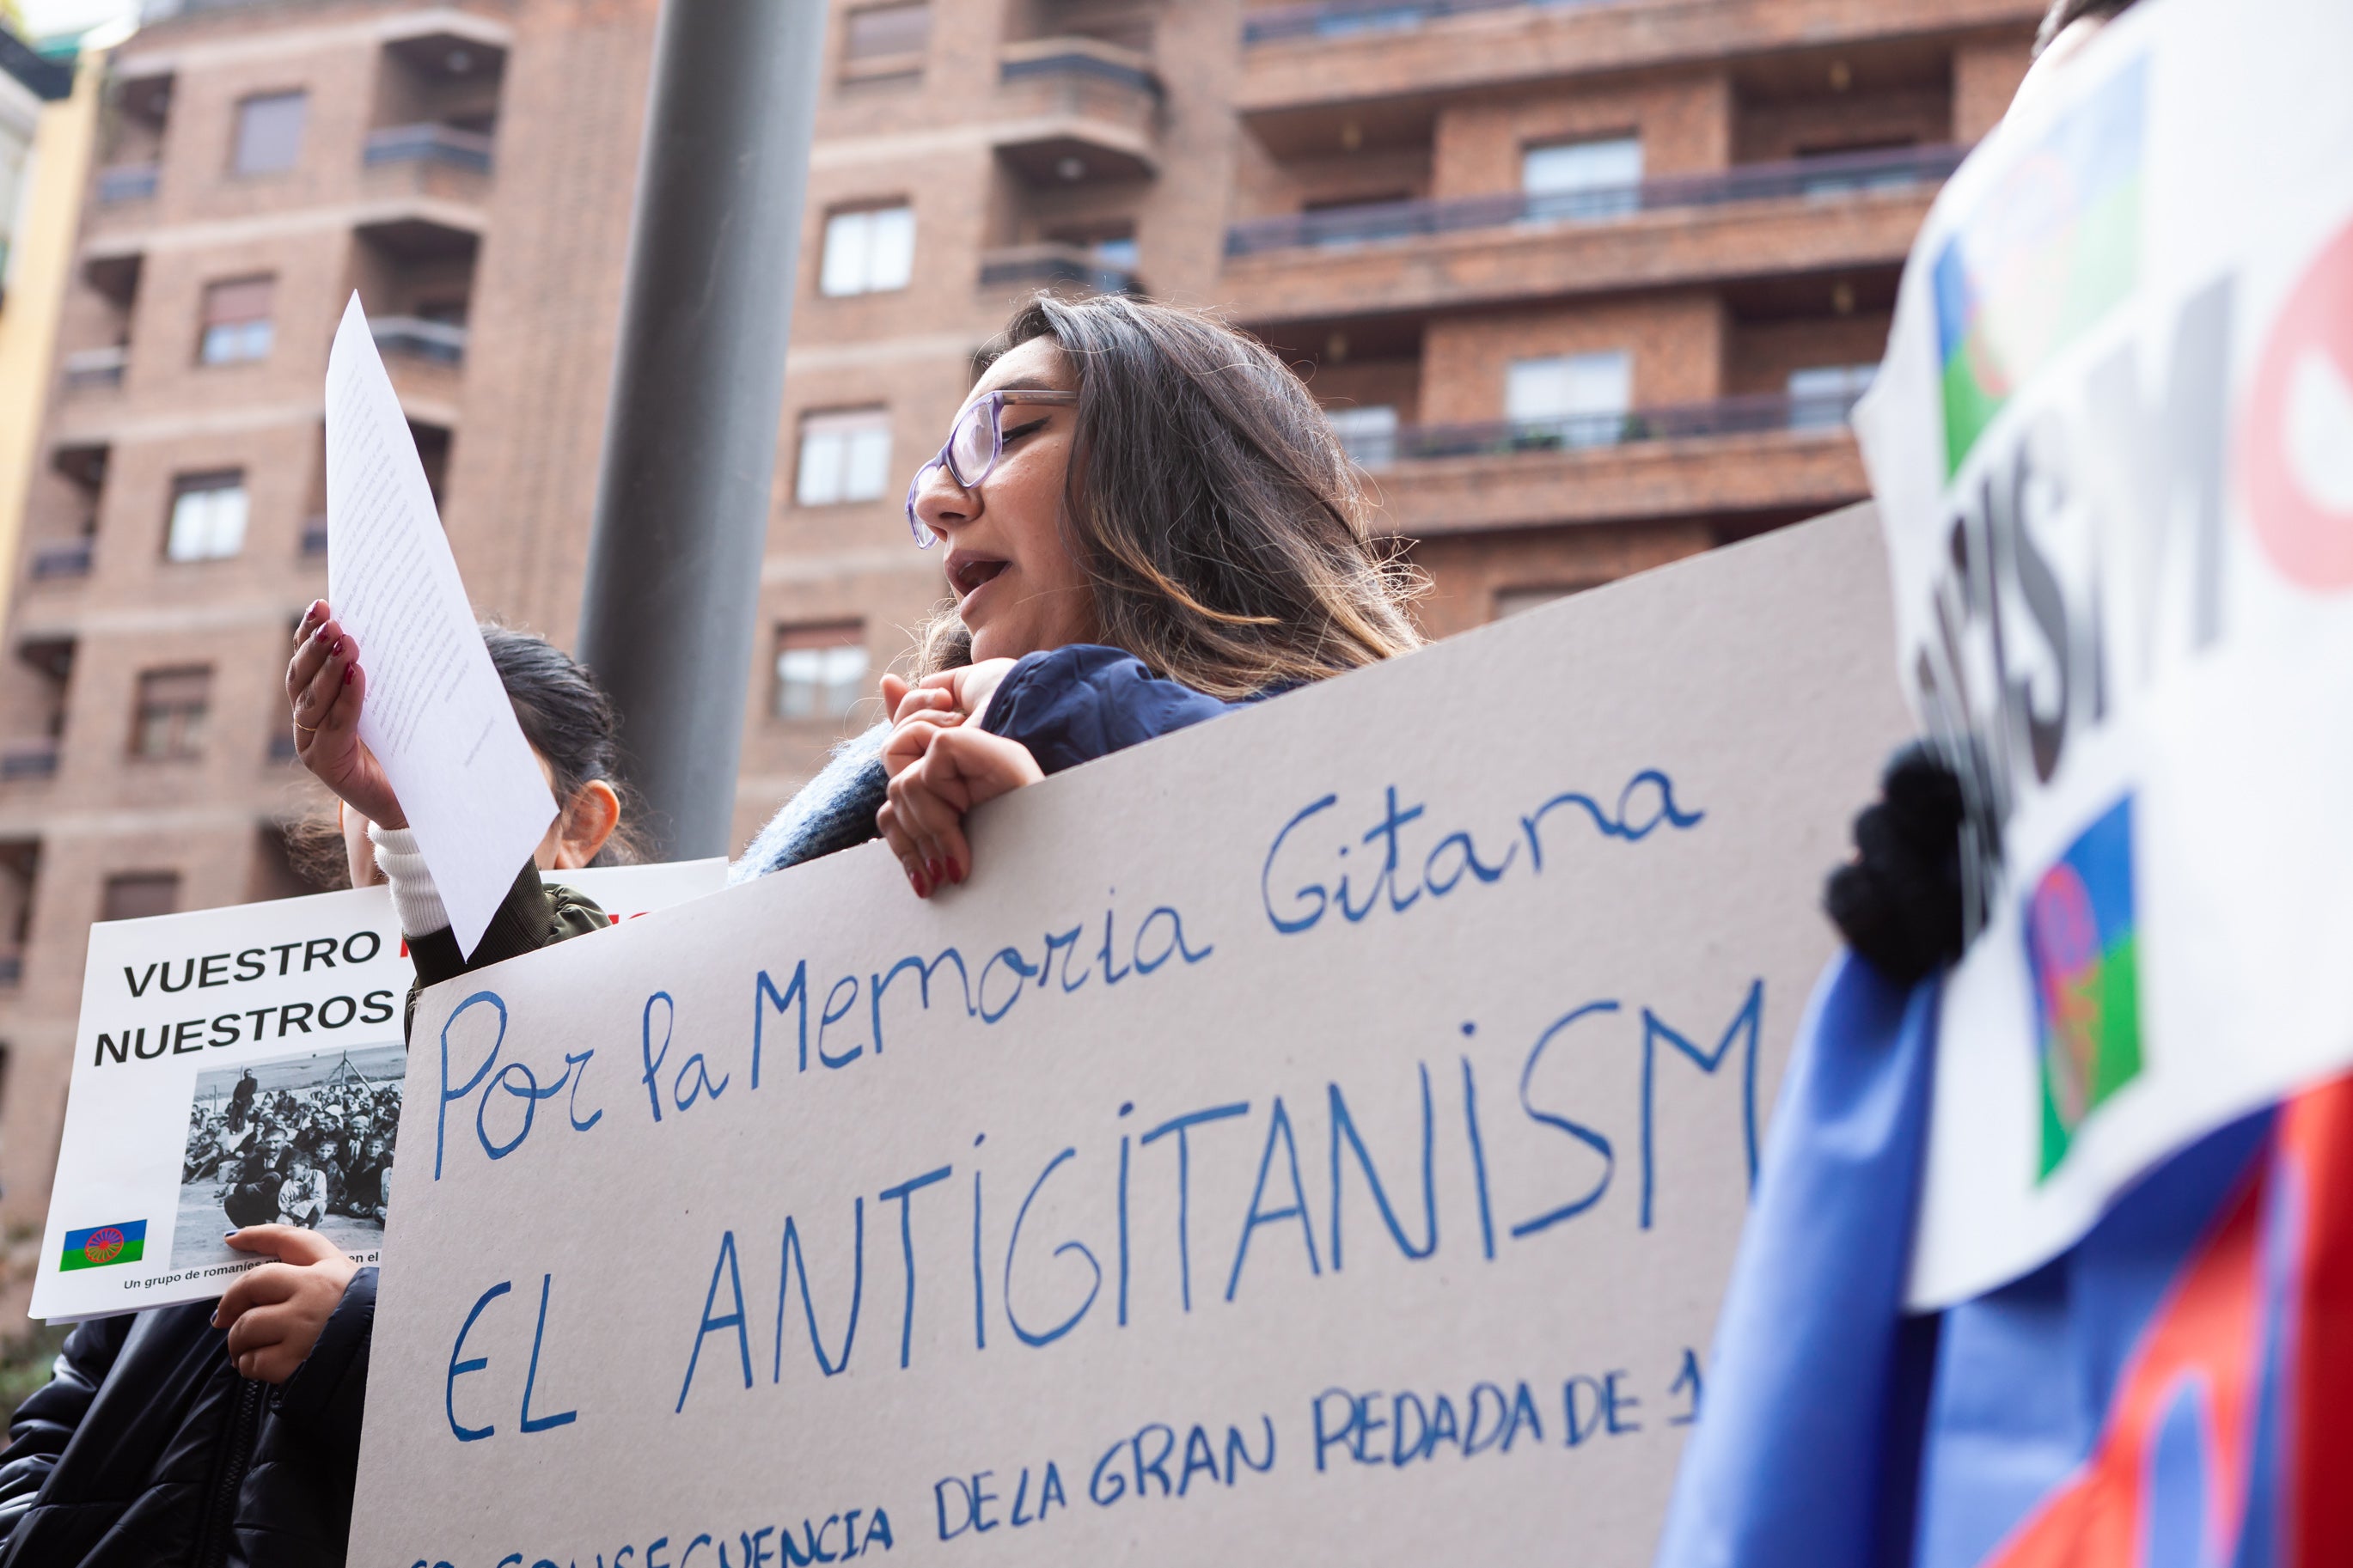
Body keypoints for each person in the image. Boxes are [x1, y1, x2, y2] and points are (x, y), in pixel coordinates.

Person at [0, 625, 641, 1562]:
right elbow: (77, 1395)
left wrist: (353, 1339)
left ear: (577, 826)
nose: (394, 807)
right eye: (379, 773)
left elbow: (604, 1381)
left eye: (459, 771)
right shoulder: (226, 1030)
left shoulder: (636, 1045)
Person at [735, 292, 1427, 893]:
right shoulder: (891, 781)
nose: (937, 503)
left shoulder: (1391, 767)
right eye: (932, 477)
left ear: (1172, 475)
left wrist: (1048, 710)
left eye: (1008, 435)